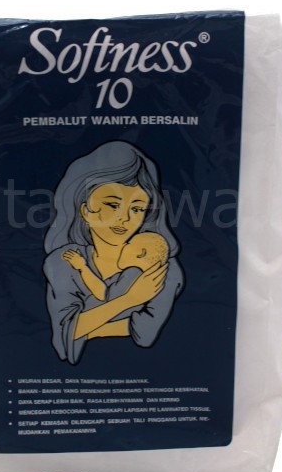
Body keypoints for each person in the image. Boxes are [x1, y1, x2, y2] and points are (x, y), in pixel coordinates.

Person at [43, 141, 184, 365]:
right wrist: (130, 299)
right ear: (85, 210)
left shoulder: (161, 265)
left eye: (136, 208)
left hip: (152, 372)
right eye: (112, 204)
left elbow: (147, 333)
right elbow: (63, 335)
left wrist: (87, 327)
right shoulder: (64, 261)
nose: (125, 218)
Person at [62, 232, 170, 302]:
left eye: (128, 243)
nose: (123, 246)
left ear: (141, 253)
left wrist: (82, 267)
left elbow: (103, 295)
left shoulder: (134, 272)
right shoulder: (140, 276)